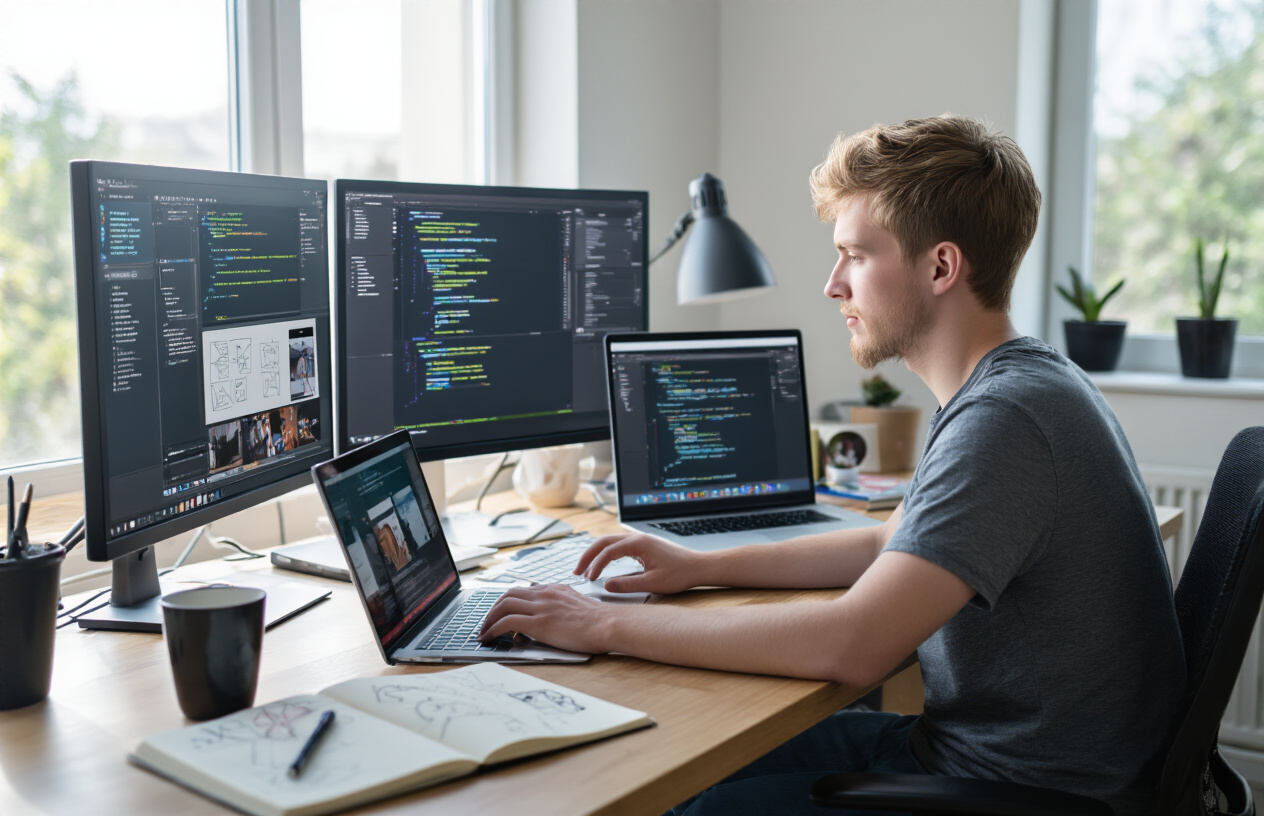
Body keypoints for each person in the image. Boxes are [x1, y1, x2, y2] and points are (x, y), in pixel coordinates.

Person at [478, 115, 1185, 815]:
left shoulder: (1006, 420)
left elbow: (852, 647)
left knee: (677, 799)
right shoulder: (1011, 385)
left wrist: (602, 625)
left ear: (941, 266)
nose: (832, 284)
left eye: (855, 255)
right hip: (976, 754)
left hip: (1014, 792)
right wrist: (699, 566)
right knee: (671, 758)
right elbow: (887, 542)